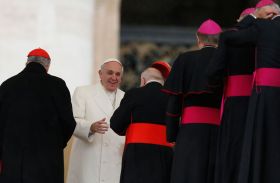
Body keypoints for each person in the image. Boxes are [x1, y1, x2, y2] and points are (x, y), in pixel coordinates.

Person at [219, 1, 280, 182]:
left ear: (267, 14)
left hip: (266, 93)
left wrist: (254, 16)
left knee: (262, 141)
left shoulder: (262, 26)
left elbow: (228, 36)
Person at [0, 48, 76, 183]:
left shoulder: (7, 85)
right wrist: (55, 144)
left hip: (14, 163)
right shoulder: (58, 85)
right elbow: (68, 123)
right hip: (47, 162)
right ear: (47, 66)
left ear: (26, 63)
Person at [163, 19, 223, 183]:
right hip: (220, 133)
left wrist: (172, 135)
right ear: (220, 39)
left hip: (190, 133)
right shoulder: (226, 60)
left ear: (198, 39)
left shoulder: (185, 59)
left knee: (188, 175)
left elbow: (174, 102)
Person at [207, 8, 256, 183]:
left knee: (232, 150)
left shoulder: (231, 38)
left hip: (234, 104)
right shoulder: (262, 37)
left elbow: (214, 72)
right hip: (258, 102)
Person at [110, 61, 173, 183]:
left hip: (137, 155)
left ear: (143, 80)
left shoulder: (134, 94)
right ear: (162, 81)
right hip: (164, 156)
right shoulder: (171, 97)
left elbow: (116, 124)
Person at [67, 58, 125, 183]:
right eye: (110, 73)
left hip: (114, 163)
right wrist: (90, 127)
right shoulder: (83, 92)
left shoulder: (126, 97)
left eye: (118, 74)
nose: (114, 77)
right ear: (100, 74)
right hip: (88, 162)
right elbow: (72, 121)